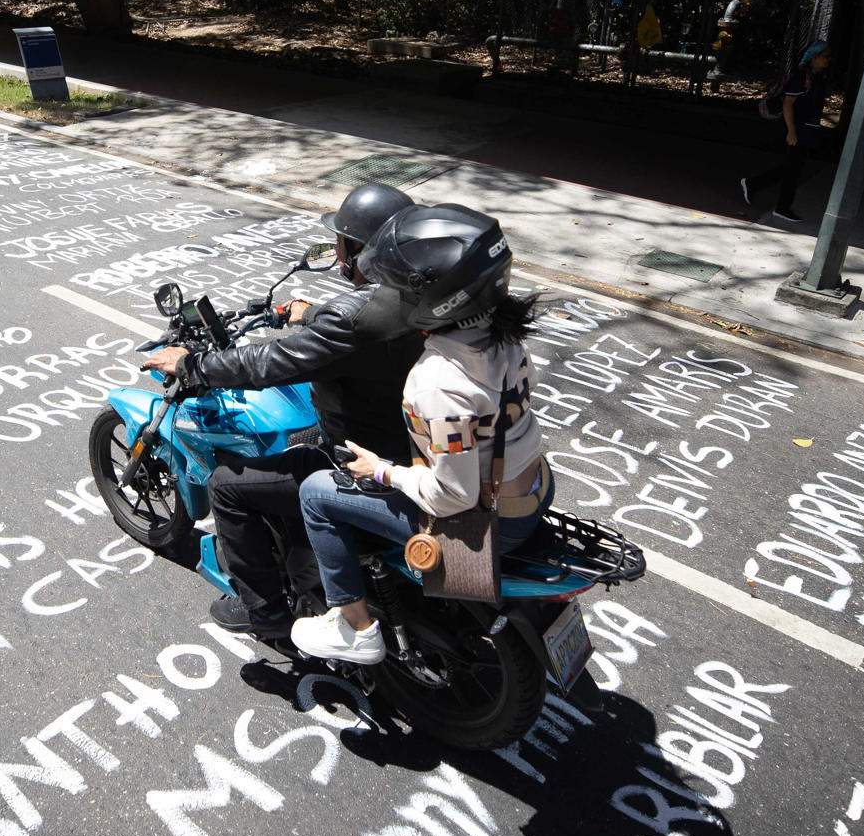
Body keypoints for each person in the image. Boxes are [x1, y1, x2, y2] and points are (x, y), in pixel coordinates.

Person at [141, 183, 421, 639]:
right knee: (300, 443)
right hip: (405, 443)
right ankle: (301, 562)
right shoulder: (414, 299)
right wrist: (309, 315)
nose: (335, 249)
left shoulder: (349, 320)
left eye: (342, 242)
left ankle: (265, 612)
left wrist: (191, 363)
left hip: (365, 461)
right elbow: (354, 333)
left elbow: (266, 363)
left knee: (227, 485)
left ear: (359, 251)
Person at [288, 204, 555, 666]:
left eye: (394, 289)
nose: (384, 298)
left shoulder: (437, 382)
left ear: (435, 300)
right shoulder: (500, 333)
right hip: (531, 490)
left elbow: (451, 495)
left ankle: (352, 626)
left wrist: (383, 472)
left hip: (487, 518)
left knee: (315, 492)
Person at [740, 39, 831, 223]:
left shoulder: (817, 77)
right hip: (798, 128)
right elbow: (788, 103)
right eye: (825, 57)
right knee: (793, 168)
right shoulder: (802, 77)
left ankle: (755, 185)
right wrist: (791, 131)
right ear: (814, 57)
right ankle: (779, 204)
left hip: (807, 129)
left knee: (793, 167)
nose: (828, 60)